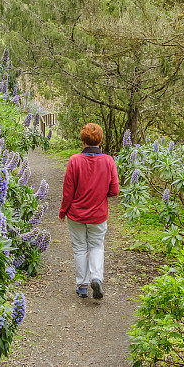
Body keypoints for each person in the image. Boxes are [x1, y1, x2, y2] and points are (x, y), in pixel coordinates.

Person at [59, 123, 120, 299]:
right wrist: (100, 195)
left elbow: (68, 191)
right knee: (96, 246)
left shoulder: (74, 160)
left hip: (76, 214)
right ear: (100, 140)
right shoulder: (108, 161)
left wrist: (63, 211)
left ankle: (83, 286)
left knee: (79, 248)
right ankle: (96, 277)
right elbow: (114, 190)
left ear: (83, 140)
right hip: (98, 214)